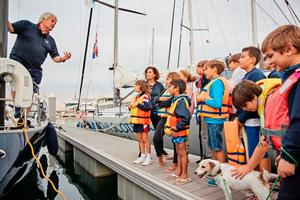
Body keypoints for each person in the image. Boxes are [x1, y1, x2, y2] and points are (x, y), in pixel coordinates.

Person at [234, 25, 300, 199]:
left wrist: (289, 156)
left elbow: (298, 120)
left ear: (289, 49)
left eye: (270, 56)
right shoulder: (288, 79)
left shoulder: (296, 80)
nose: (268, 63)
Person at [7, 12, 71, 93]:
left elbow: (55, 57)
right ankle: (17, 105)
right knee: (16, 87)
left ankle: (22, 105)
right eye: (52, 21)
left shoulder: (51, 41)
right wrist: (3, 16)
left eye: (55, 23)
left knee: (29, 94)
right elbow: (11, 28)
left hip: (34, 70)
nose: (54, 24)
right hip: (18, 64)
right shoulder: (27, 25)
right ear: (44, 19)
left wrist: (63, 58)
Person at [196, 60, 229, 187]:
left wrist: (203, 98)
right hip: (211, 119)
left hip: (215, 120)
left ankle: (221, 176)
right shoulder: (214, 82)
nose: (204, 72)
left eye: (206, 69)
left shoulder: (217, 83)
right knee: (213, 145)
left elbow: (216, 103)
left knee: (216, 147)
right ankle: (217, 174)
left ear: (214, 69)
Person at [237, 46, 270, 173]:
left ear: (252, 59)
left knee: (259, 152)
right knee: (252, 151)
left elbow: (254, 101)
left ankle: (263, 181)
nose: (240, 59)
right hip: (248, 121)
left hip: (254, 121)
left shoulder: (257, 75)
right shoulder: (248, 75)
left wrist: (240, 119)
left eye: (242, 56)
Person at [164, 79, 191, 185]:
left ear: (177, 89)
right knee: (179, 153)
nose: (168, 88)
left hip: (179, 131)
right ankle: (179, 171)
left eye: (170, 86)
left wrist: (176, 127)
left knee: (182, 153)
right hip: (176, 132)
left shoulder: (180, 101)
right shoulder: (176, 100)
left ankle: (185, 175)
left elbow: (186, 117)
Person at [154, 72, 181, 168]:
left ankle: (175, 163)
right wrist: (159, 100)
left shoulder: (176, 91)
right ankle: (160, 157)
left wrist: (159, 102)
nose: (166, 81)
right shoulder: (165, 90)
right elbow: (155, 100)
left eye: (168, 79)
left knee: (175, 141)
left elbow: (168, 102)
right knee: (156, 138)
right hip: (163, 117)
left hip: (172, 117)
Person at [129, 80, 153, 166]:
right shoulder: (136, 96)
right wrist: (130, 106)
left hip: (143, 121)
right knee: (139, 139)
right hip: (136, 121)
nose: (134, 87)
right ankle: (142, 155)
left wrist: (136, 105)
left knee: (145, 139)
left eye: (136, 85)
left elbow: (148, 107)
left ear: (141, 86)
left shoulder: (146, 96)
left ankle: (149, 157)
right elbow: (133, 107)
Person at [195, 60, 210, 163]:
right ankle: (205, 155)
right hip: (201, 109)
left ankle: (208, 155)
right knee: (203, 133)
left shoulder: (206, 80)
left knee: (205, 133)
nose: (196, 69)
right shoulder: (200, 80)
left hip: (205, 109)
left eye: (198, 67)